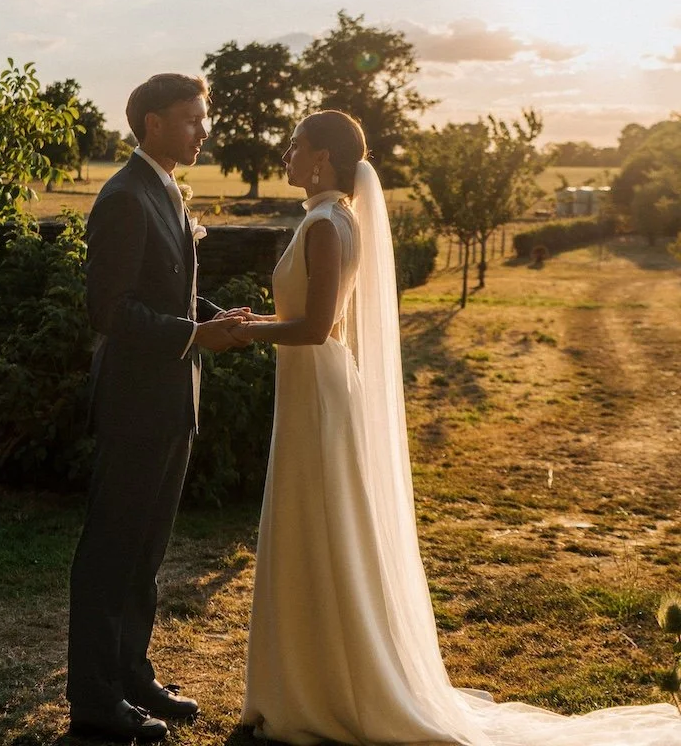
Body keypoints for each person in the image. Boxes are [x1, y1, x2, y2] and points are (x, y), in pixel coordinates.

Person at [235, 110, 681, 746]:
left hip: (318, 389)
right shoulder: (331, 219)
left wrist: (241, 336)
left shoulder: (327, 225)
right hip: (311, 384)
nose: (286, 154)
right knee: (312, 523)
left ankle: (323, 688)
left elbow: (316, 328)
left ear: (324, 158)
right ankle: (309, 680)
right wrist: (254, 322)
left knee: (321, 525)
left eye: (295, 144)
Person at [67, 73, 246, 742]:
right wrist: (194, 336)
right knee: (112, 551)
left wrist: (212, 316)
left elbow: (166, 293)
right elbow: (109, 311)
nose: (204, 130)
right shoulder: (123, 196)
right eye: (192, 119)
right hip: (136, 403)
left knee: (146, 551)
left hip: (173, 400)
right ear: (153, 123)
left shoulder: (164, 186)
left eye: (204, 118)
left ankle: (132, 677)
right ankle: (94, 701)